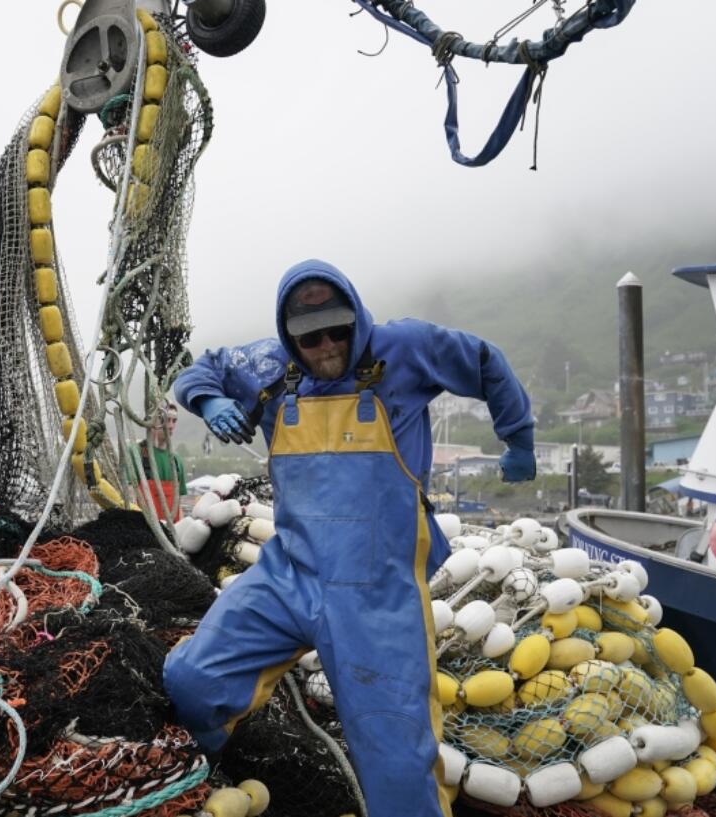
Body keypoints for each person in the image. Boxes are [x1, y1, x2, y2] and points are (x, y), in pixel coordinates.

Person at [163, 259, 535, 817]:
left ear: (357, 317)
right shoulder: (267, 365)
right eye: (310, 335)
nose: (327, 343)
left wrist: (518, 438)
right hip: (287, 572)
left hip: (376, 593)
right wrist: (207, 401)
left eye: (338, 327)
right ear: (290, 337)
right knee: (193, 680)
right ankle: (208, 771)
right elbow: (202, 370)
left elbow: (485, 363)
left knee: (396, 757)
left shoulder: (405, 348)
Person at [126, 401, 188, 521]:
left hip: (170, 533)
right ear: (152, 422)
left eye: (174, 421)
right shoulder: (135, 453)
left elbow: (179, 507)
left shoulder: (176, 461)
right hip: (144, 531)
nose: (170, 426)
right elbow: (130, 499)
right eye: (166, 420)